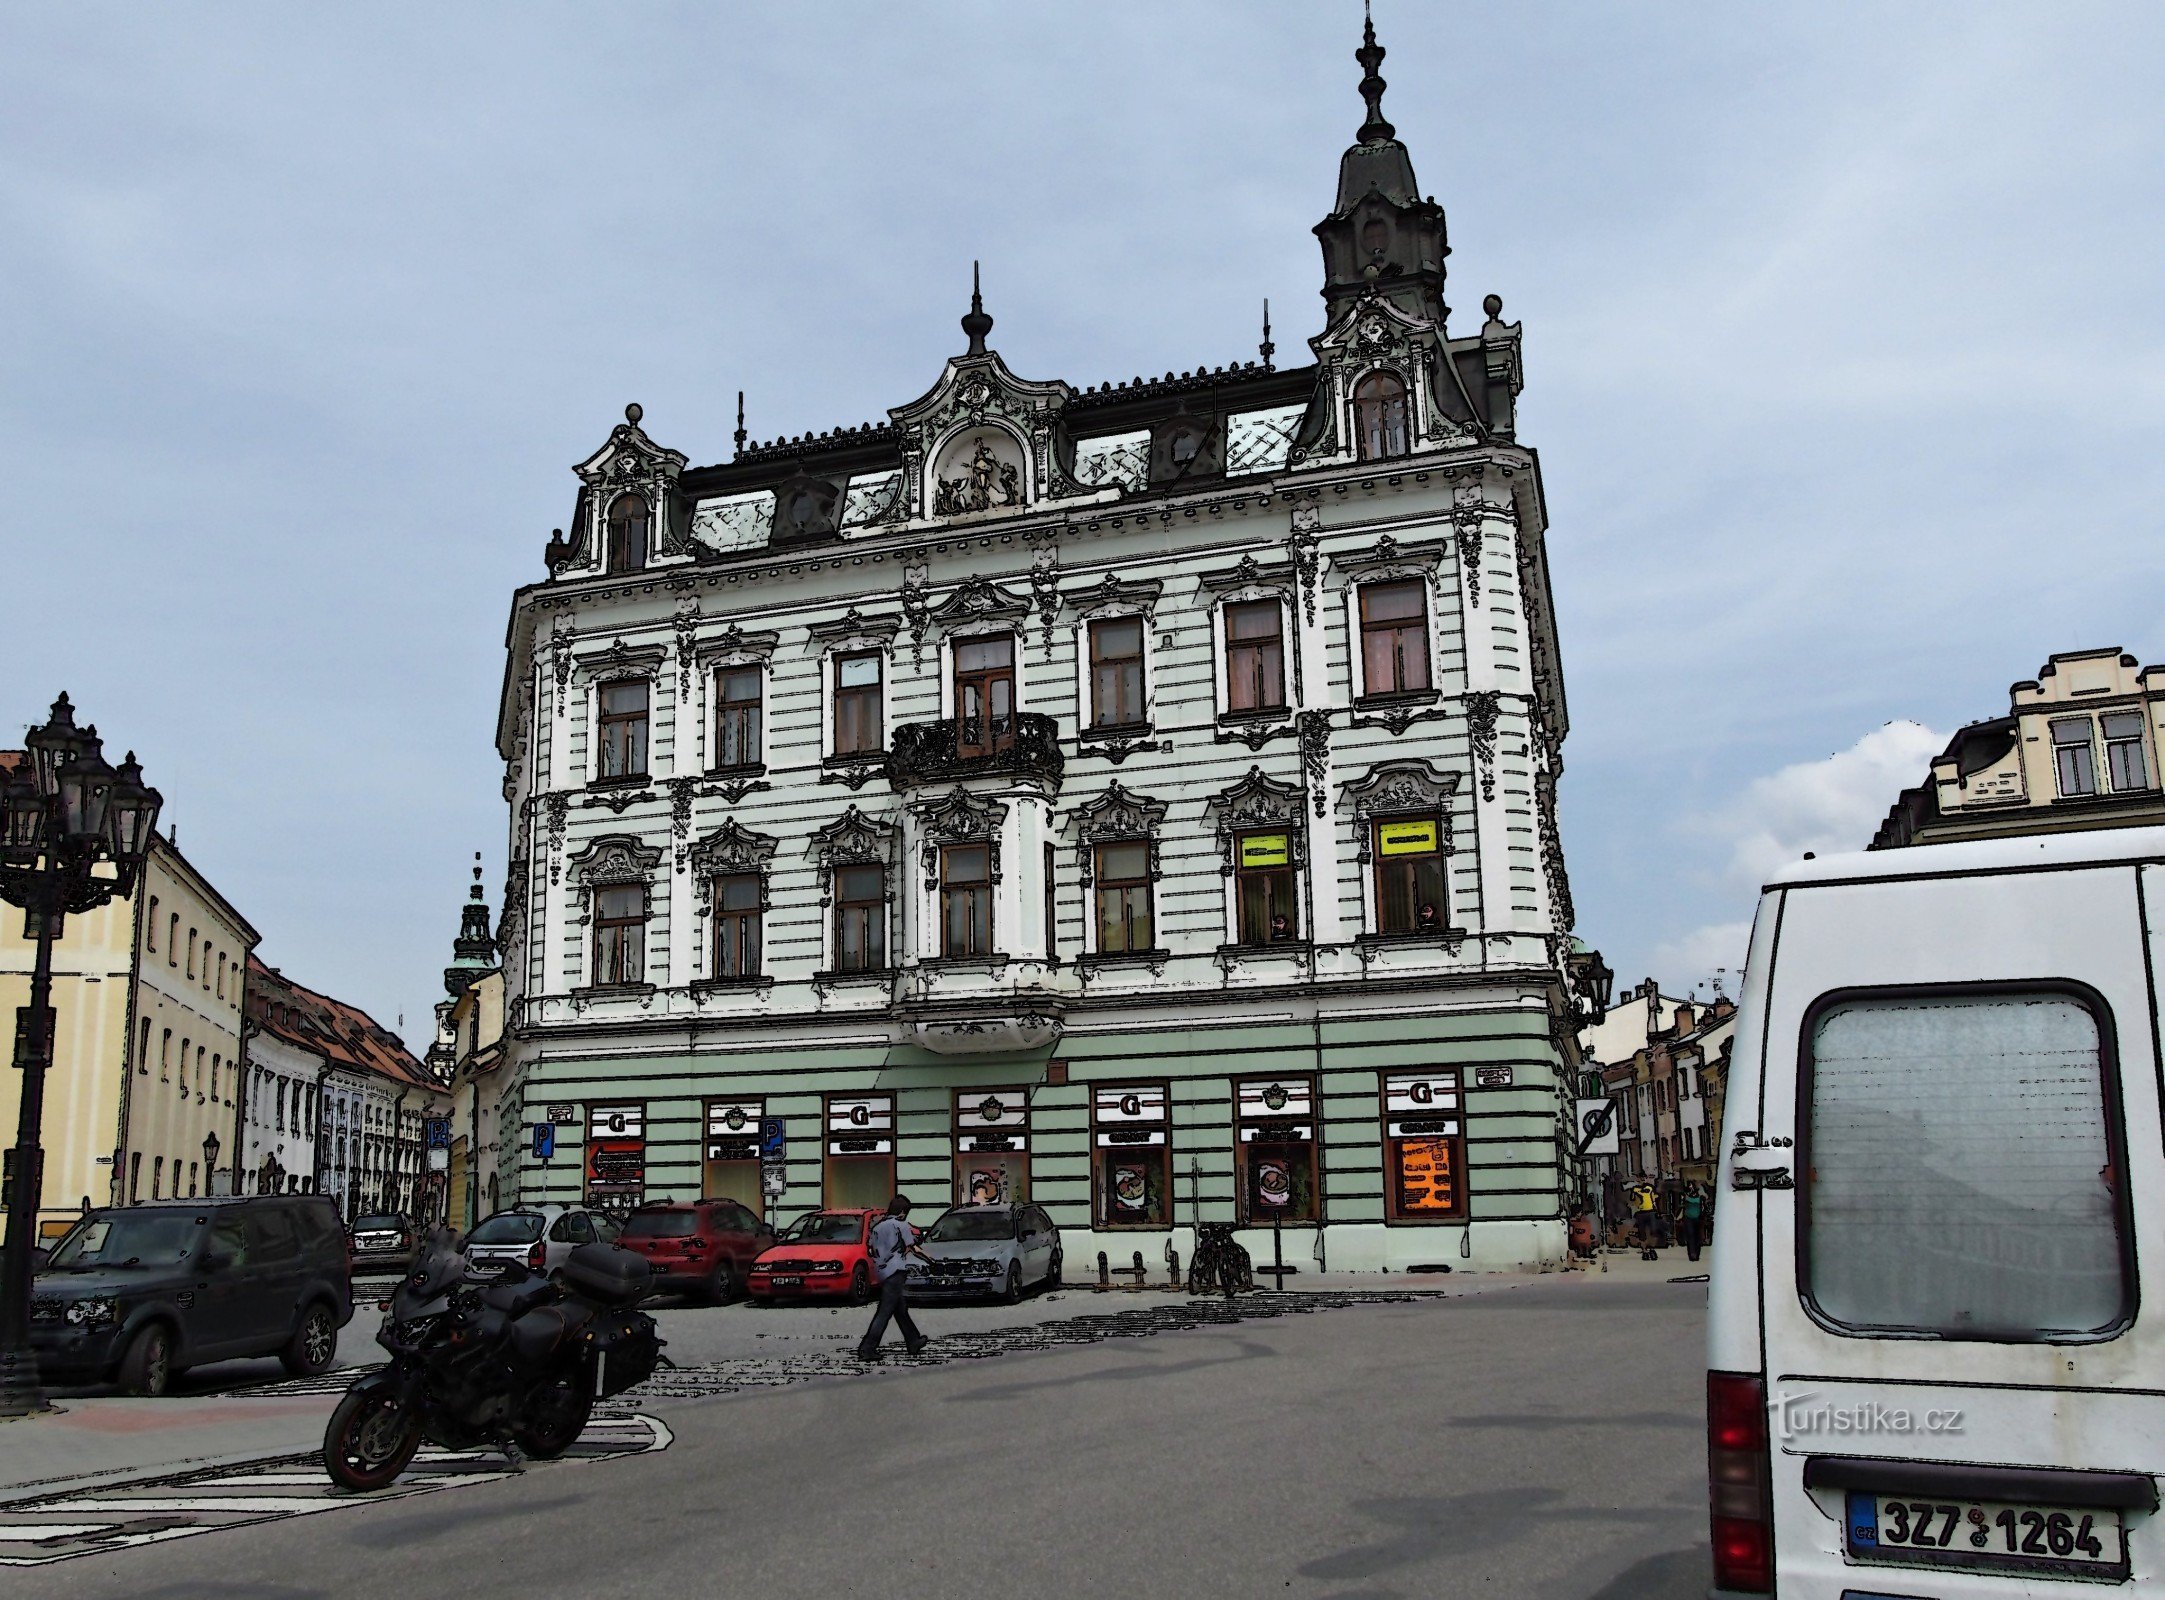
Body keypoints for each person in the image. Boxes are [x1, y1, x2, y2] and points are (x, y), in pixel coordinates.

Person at [856, 1194, 931, 1362]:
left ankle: (913, 1341)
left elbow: (871, 1250)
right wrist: (931, 1260)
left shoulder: (877, 1227)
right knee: (884, 1312)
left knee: (900, 1310)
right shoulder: (901, 1225)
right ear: (903, 1212)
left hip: (882, 1271)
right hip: (896, 1271)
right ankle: (867, 1348)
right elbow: (913, 1248)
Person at [1681, 1183, 1707, 1262]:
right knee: (1691, 1236)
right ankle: (1692, 1253)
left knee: (1697, 1237)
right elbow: (1682, 1206)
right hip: (1688, 1218)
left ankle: (1696, 1253)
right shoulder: (1685, 1197)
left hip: (1698, 1218)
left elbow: (1703, 1207)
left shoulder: (1701, 1198)